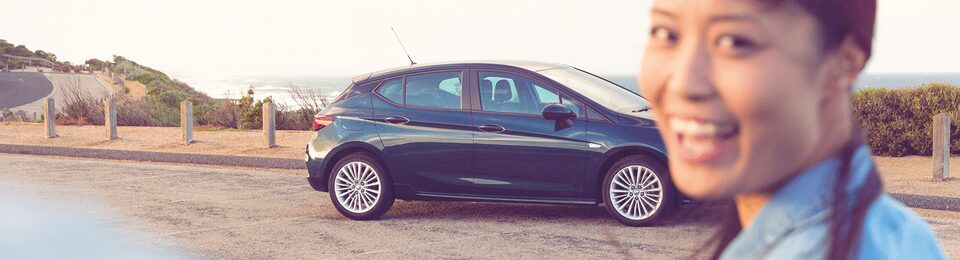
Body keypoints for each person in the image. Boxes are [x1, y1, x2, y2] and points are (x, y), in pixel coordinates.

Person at [637, 0, 946, 259]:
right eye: (666, 34)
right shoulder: (894, 231)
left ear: (845, 62)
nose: (682, 83)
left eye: (734, 42)